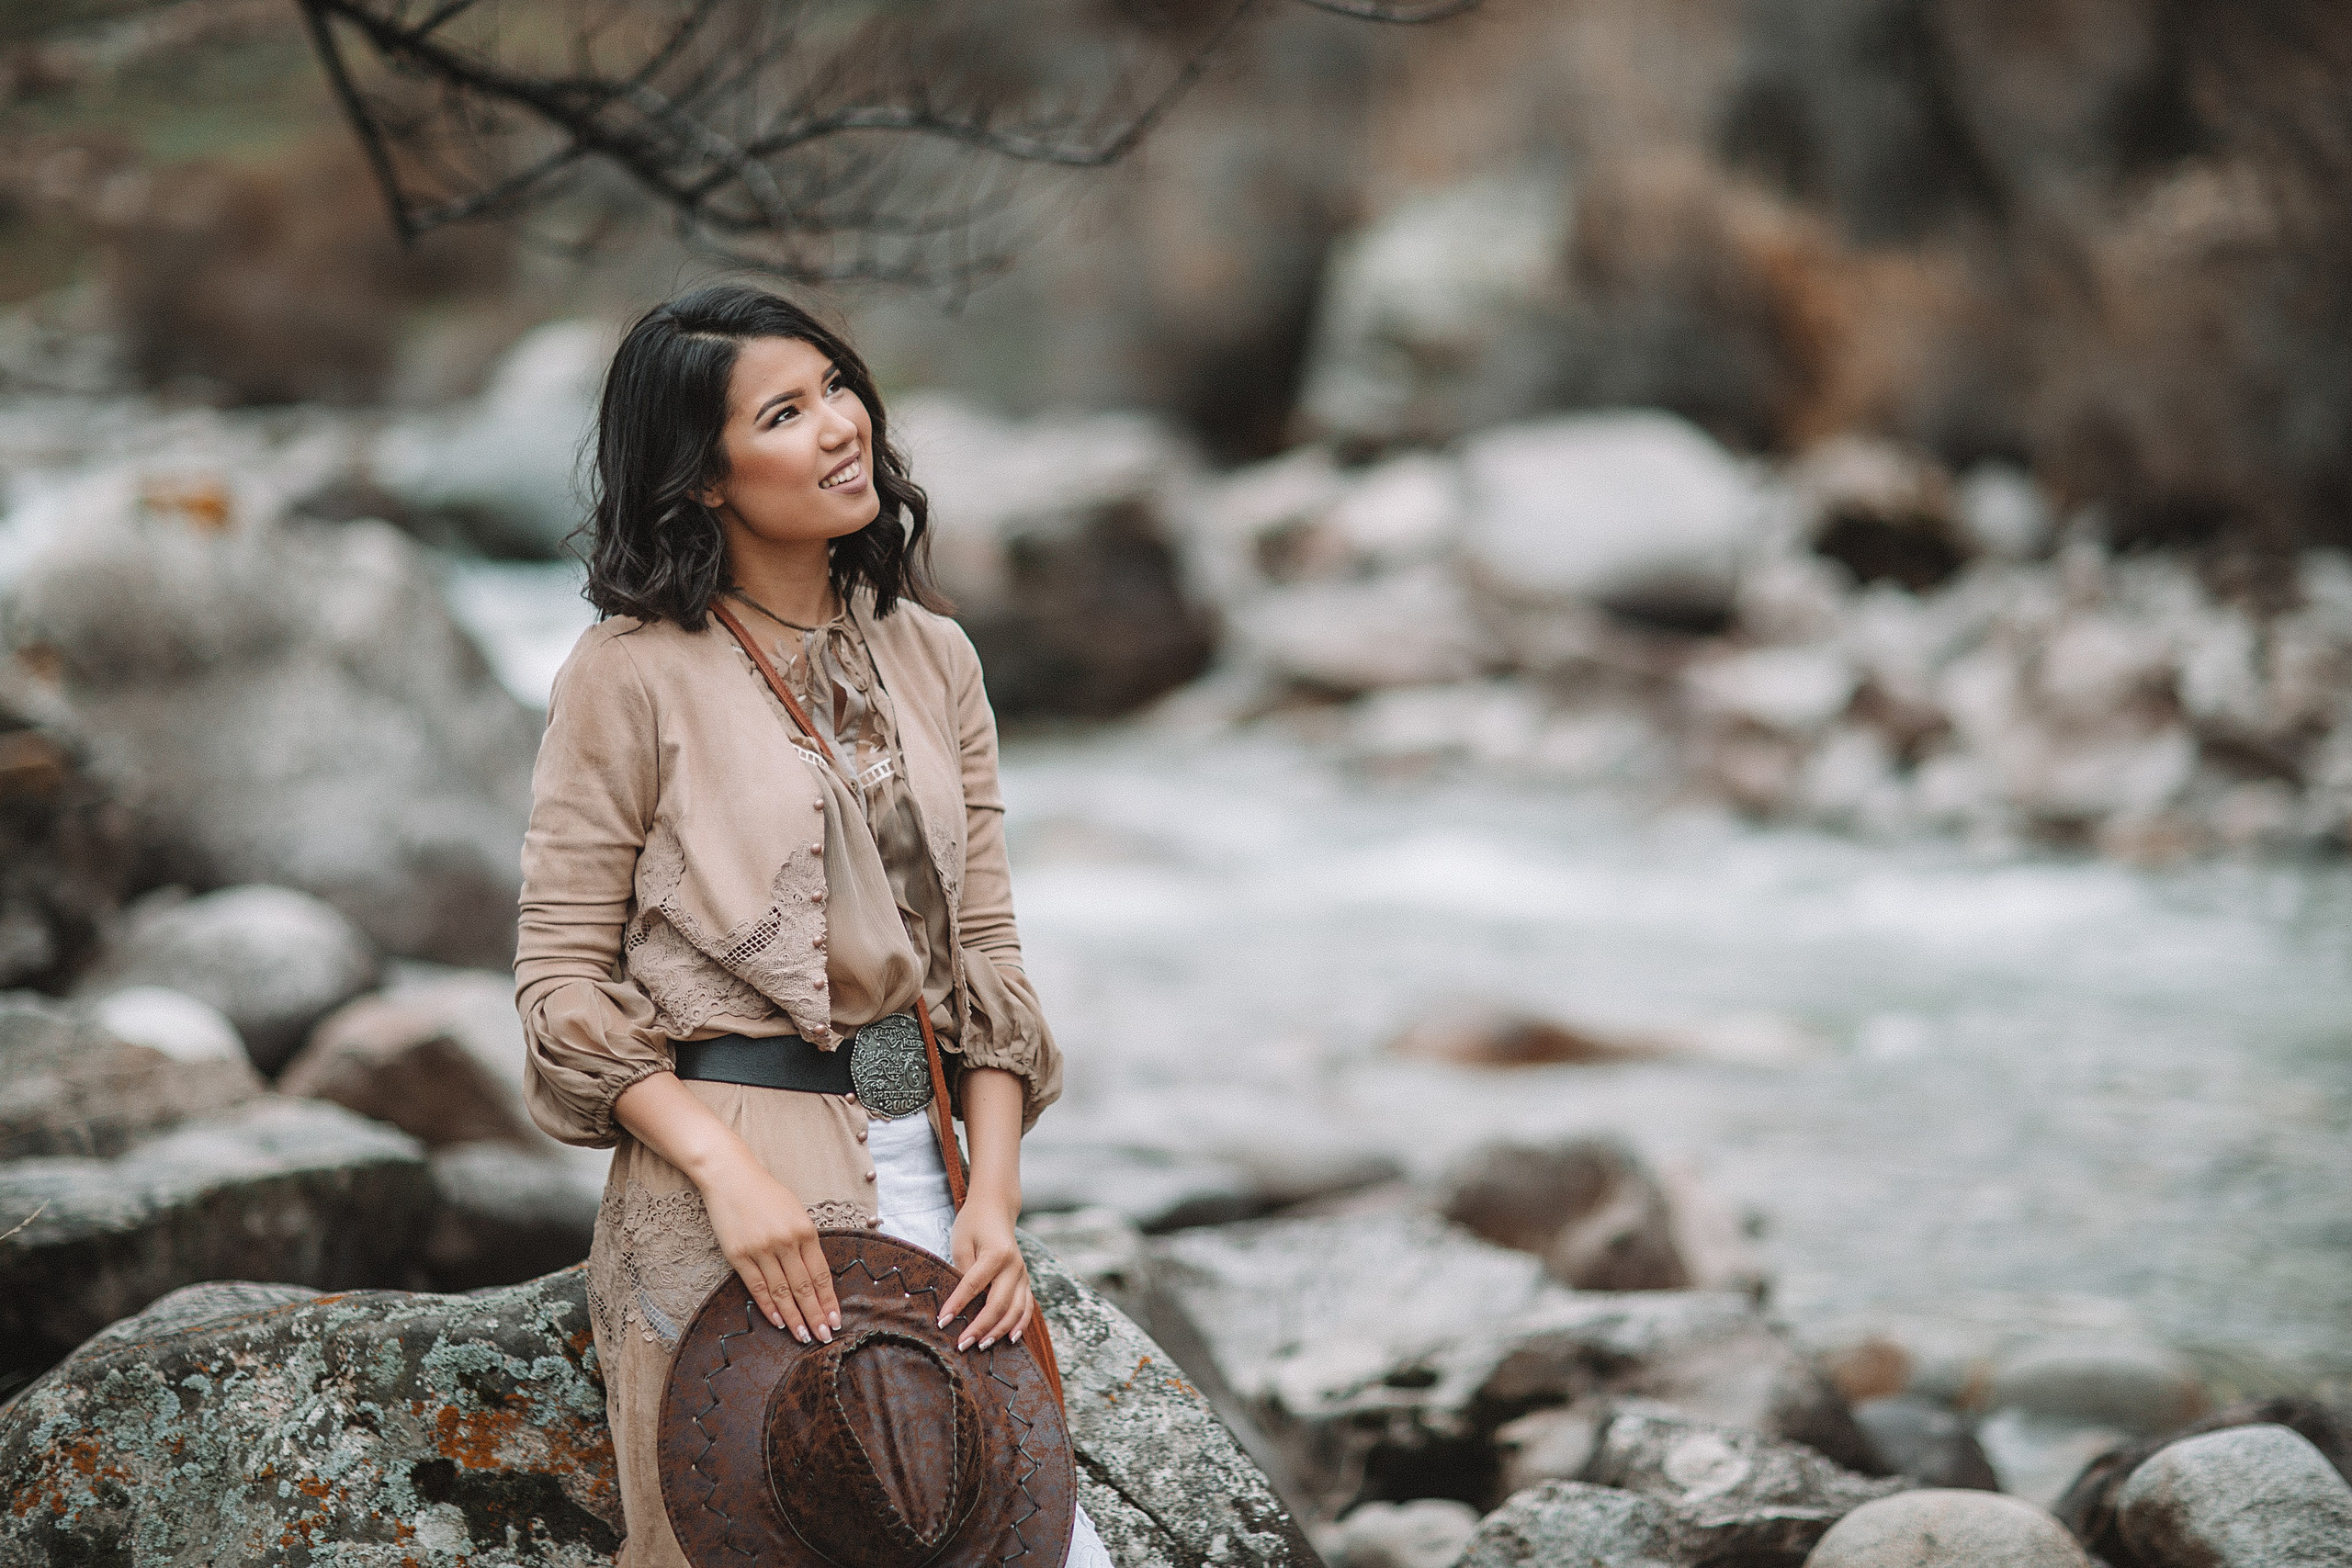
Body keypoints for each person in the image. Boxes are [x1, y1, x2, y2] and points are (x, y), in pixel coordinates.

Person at [514, 281, 1109, 1567]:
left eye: (836, 386)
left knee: (1027, 1546)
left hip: (936, 1176)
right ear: (706, 476)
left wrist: (992, 1201)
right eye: (785, 412)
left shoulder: (934, 653)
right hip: (728, 1180)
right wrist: (730, 1180)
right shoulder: (627, 675)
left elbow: (987, 966)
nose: (841, 426)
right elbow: (560, 986)